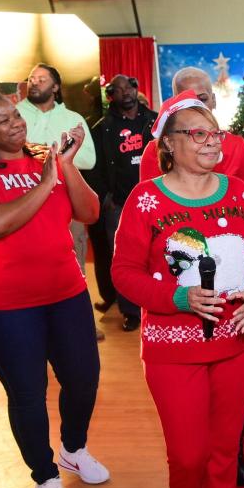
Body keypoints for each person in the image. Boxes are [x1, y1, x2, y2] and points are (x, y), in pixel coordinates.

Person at [112, 91, 244, 488]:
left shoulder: (240, 193)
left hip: (235, 343)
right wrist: (178, 298)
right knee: (188, 455)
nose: (212, 142)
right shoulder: (145, 200)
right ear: (169, 144)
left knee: (225, 450)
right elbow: (124, 274)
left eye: (215, 133)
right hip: (171, 350)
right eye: (198, 133)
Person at [0, 92, 107, 488]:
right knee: (28, 392)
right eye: (3, 119)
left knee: (83, 380)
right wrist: (46, 182)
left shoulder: (46, 159)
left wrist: (63, 167)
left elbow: (90, 212)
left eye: (16, 116)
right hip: (3, 302)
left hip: (65, 291)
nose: (16, 124)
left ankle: (73, 449)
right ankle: (44, 478)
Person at [141, 67, 244, 486]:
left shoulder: (237, 150)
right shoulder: (153, 174)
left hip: (233, 309)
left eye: (207, 97)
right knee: (189, 449)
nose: (202, 104)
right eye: (191, 98)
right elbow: (147, 238)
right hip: (178, 316)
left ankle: (234, 456)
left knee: (226, 433)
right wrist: (173, 292)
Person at [93, 75, 157, 332]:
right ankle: (131, 311)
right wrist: (106, 198)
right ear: (111, 96)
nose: (125, 93)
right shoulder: (102, 128)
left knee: (160, 251)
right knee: (125, 258)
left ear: (136, 89)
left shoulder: (153, 120)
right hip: (120, 204)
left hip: (157, 199)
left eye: (129, 87)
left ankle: (158, 301)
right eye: (118, 90)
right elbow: (94, 167)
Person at [17, 63, 96, 271]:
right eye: (32, 79)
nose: (34, 83)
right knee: (25, 263)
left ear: (55, 87)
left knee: (71, 261)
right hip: (21, 199)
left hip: (66, 200)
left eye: (42, 80)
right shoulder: (14, 114)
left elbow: (89, 160)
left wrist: (43, 154)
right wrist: (53, 153)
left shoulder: (72, 119)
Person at [80, 75, 116, 316]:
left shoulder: (111, 123)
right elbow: (89, 167)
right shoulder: (90, 124)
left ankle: (123, 301)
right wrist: (102, 197)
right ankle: (108, 296)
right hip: (101, 199)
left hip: (115, 197)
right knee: (103, 251)